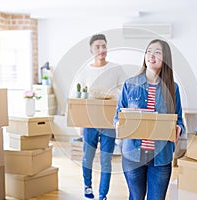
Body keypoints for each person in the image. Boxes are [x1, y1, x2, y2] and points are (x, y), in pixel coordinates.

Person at [113, 39, 185, 200]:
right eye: (149, 51)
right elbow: (118, 115)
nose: (151, 55)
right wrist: (120, 123)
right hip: (133, 155)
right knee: (136, 197)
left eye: (157, 52)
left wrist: (178, 128)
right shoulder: (130, 84)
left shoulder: (173, 88)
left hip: (160, 157)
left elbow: (179, 119)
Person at [74, 34, 126, 200]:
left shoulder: (116, 69)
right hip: (90, 122)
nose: (101, 50)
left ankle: (103, 195)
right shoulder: (84, 71)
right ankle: (87, 186)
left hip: (109, 122)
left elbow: (124, 95)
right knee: (87, 157)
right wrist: (79, 124)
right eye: (97, 47)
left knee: (105, 161)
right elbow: (79, 98)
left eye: (104, 46)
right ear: (91, 50)